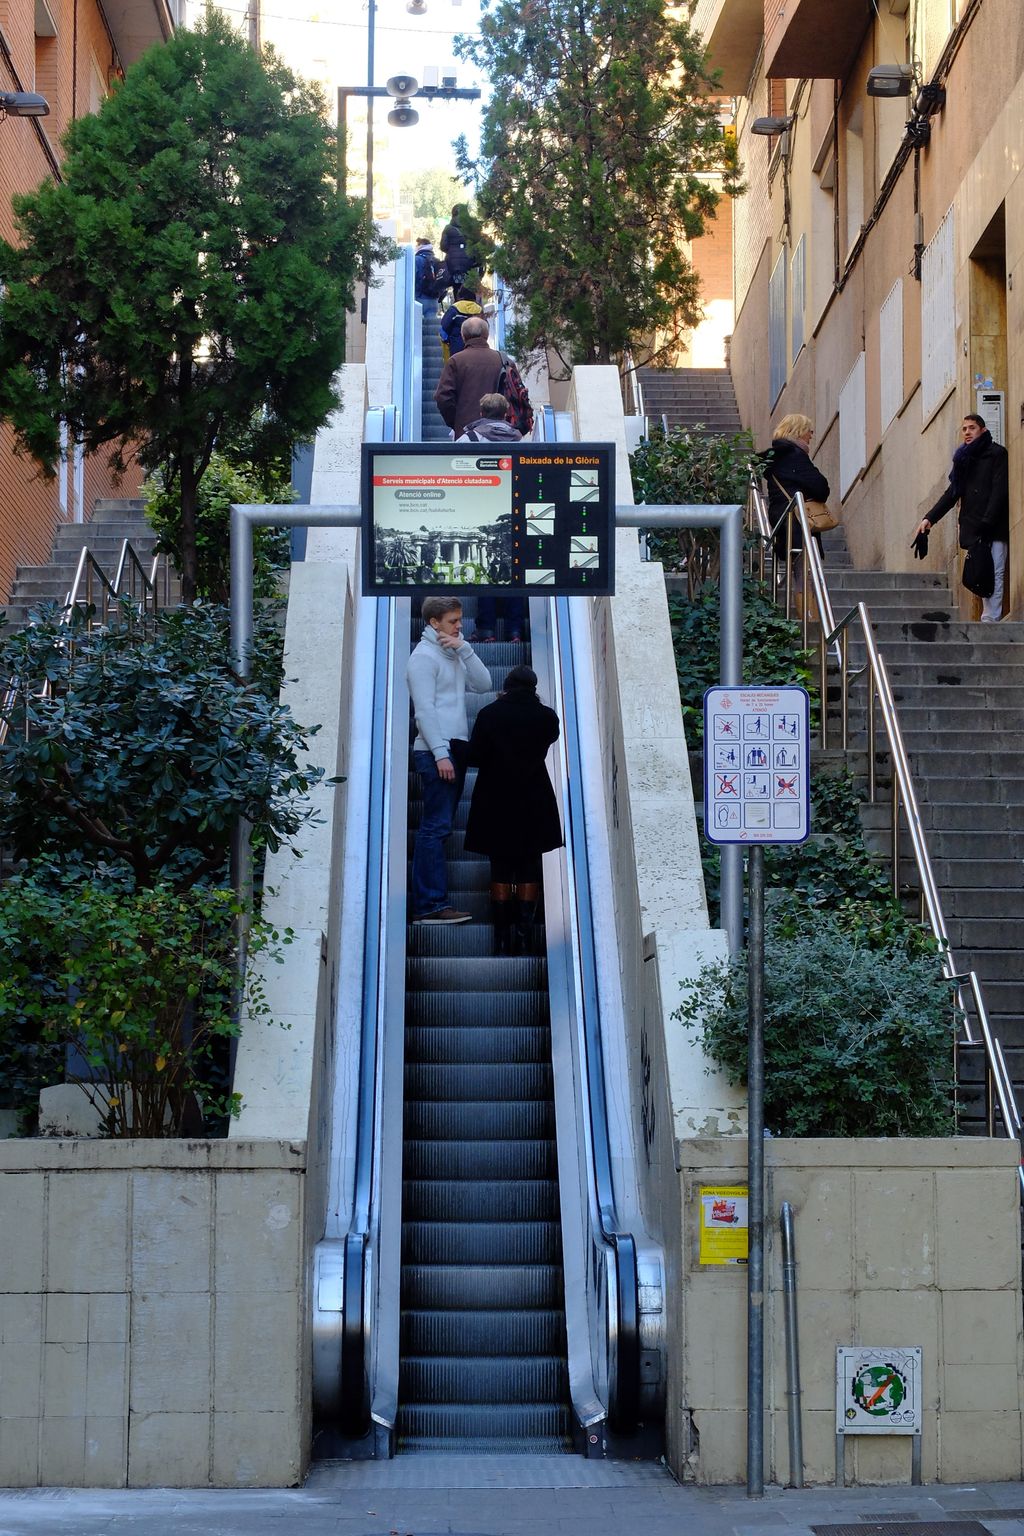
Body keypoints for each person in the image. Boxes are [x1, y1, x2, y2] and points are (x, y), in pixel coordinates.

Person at [464, 664, 563, 955]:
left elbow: (476, 756)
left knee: (501, 866)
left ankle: (502, 935)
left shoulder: (490, 714)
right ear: (533, 688)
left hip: (496, 797)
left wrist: (454, 747)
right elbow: (551, 738)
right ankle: (524, 934)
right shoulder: (546, 717)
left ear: (506, 686)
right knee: (529, 865)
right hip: (534, 797)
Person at [407, 596, 492, 924]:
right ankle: (430, 905)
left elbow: (484, 685)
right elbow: (424, 710)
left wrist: (464, 649)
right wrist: (440, 753)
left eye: (460, 620)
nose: (460, 626)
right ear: (434, 622)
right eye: (454, 621)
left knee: (439, 829)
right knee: (434, 829)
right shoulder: (423, 658)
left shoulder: (452, 653)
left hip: (454, 748)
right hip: (434, 750)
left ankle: (433, 904)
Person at [913, 413, 1009, 622]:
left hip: (992, 525)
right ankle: (988, 617)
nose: (967, 432)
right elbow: (952, 493)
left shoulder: (997, 454)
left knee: (996, 571)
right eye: (964, 428)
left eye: (972, 428)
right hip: (973, 527)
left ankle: (991, 618)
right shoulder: (963, 459)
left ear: (982, 430)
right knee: (981, 572)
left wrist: (988, 521)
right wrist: (929, 518)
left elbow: (999, 491)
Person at [457, 394, 526, 641]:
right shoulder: (519, 439)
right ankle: (515, 629)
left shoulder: (470, 438)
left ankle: (486, 628)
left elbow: (453, 468)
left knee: (485, 567)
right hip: (512, 510)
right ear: (507, 413)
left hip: (482, 509)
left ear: (481, 412)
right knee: (514, 568)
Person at [764, 412, 830, 610]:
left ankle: (810, 620)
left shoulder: (777, 457)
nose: (811, 436)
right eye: (809, 431)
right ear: (799, 432)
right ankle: (811, 622)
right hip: (797, 521)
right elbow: (820, 487)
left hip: (784, 519)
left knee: (800, 573)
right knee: (805, 575)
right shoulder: (795, 456)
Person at [434, 315, 504, 439]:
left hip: (466, 433)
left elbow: (443, 397)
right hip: (500, 433)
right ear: (486, 336)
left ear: (463, 336)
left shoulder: (455, 361)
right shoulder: (503, 360)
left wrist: (456, 422)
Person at [439, 285, 483, 364]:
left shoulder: (454, 309)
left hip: (457, 349)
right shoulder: (479, 310)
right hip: (477, 350)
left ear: (460, 295)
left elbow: (443, 330)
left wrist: (448, 341)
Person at [440, 203, 472, 291]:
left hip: (453, 265)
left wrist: (452, 251)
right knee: (469, 288)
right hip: (469, 264)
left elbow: (443, 246)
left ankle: (458, 303)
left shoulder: (448, 228)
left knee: (457, 287)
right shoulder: (470, 228)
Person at [414, 235, 444, 316]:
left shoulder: (416, 259)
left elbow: (413, 279)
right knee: (431, 325)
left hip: (419, 298)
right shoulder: (437, 261)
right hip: (434, 299)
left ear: (420, 246)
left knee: (418, 326)